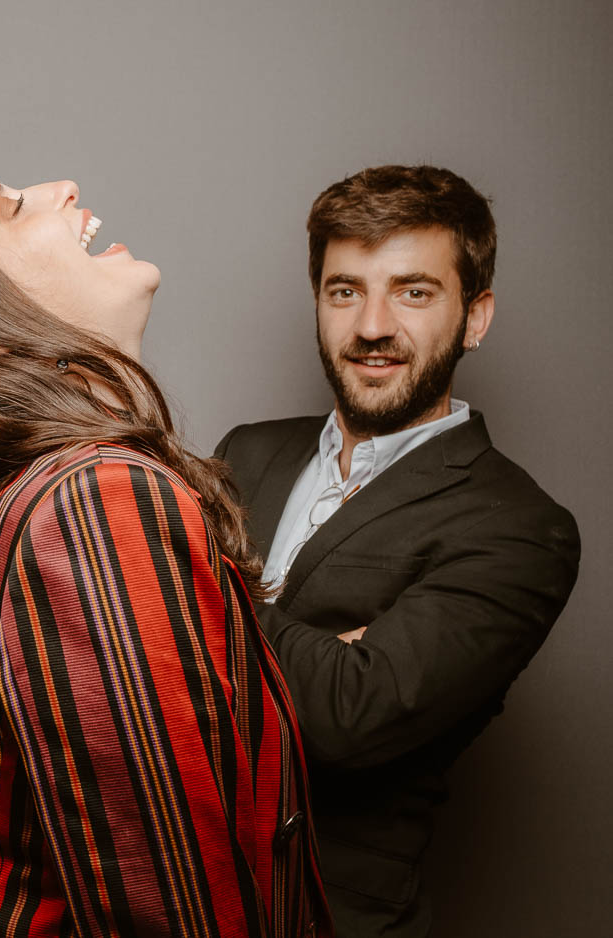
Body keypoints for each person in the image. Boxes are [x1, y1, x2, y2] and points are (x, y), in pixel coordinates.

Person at [0, 167, 331, 937]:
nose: (61, 185)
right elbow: (168, 910)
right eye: (11, 207)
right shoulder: (89, 502)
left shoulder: (42, 498)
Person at [214, 164, 580, 937]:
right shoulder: (245, 453)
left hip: (324, 918)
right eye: (345, 290)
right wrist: (326, 648)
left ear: (475, 317)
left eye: (413, 292)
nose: (372, 324)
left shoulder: (517, 526)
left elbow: (354, 715)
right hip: (157, 895)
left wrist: (198, 595)